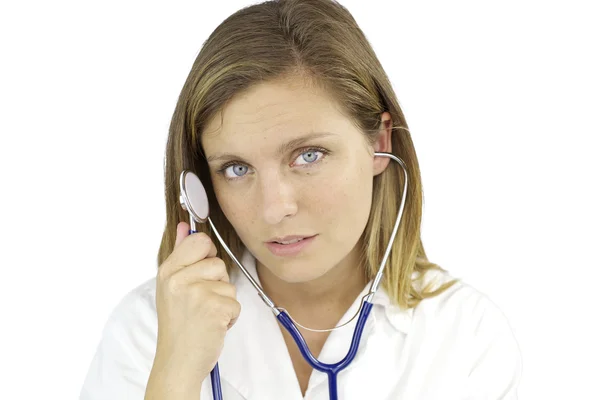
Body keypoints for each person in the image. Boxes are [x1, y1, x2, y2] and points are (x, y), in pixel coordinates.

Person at [79, 0, 522, 399]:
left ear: (379, 142)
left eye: (308, 156)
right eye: (237, 169)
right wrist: (175, 372)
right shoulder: (148, 329)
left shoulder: (467, 337)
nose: (274, 208)